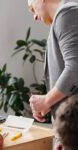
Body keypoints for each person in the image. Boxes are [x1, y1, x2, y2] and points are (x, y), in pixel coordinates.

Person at [28, 0, 78, 148]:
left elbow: (75, 68)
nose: (35, 17)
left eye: (32, 9)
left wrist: (46, 101)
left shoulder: (67, 14)